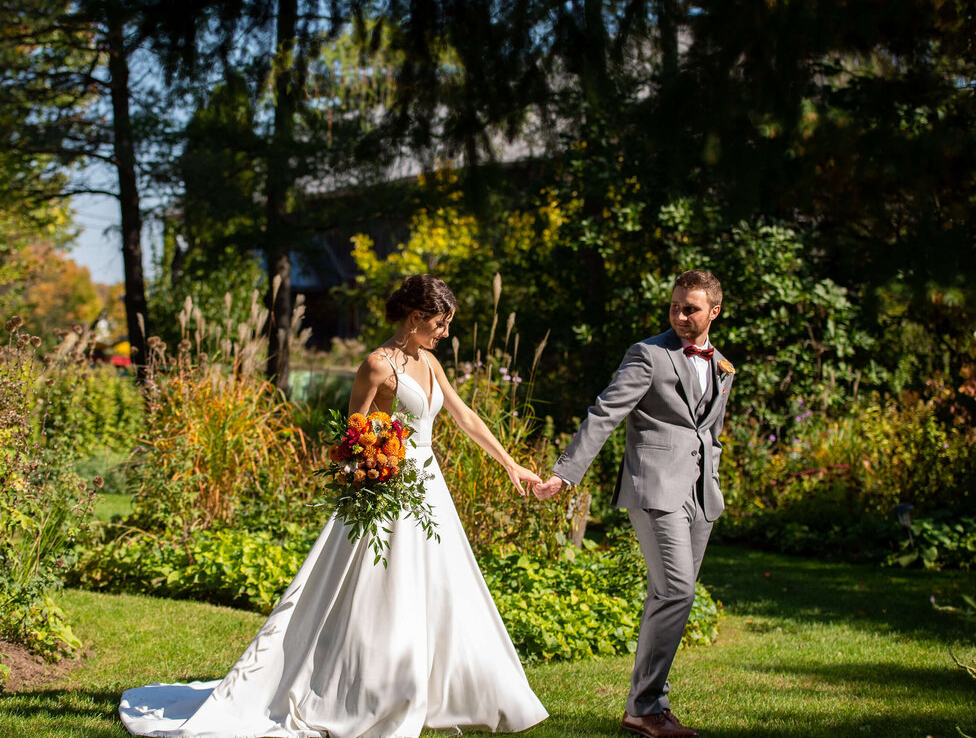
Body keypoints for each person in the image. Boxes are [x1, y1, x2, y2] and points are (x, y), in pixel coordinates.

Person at [120, 274, 548, 738]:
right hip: (388, 492)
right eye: (440, 324)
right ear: (415, 317)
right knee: (378, 594)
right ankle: (366, 690)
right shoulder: (376, 365)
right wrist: (371, 468)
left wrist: (510, 465)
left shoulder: (428, 361)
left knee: (440, 587)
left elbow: (463, 415)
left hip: (429, 489)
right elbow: (351, 436)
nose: (444, 333)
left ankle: (440, 688)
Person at [533, 269, 735, 738]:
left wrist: (715, 482)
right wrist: (566, 473)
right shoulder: (648, 354)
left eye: (692, 308)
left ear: (715, 312)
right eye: (675, 306)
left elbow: (712, 433)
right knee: (678, 590)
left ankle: (644, 707)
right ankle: (646, 708)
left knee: (671, 597)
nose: (681, 315)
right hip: (655, 488)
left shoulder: (723, 365)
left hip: (701, 496)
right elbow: (606, 412)